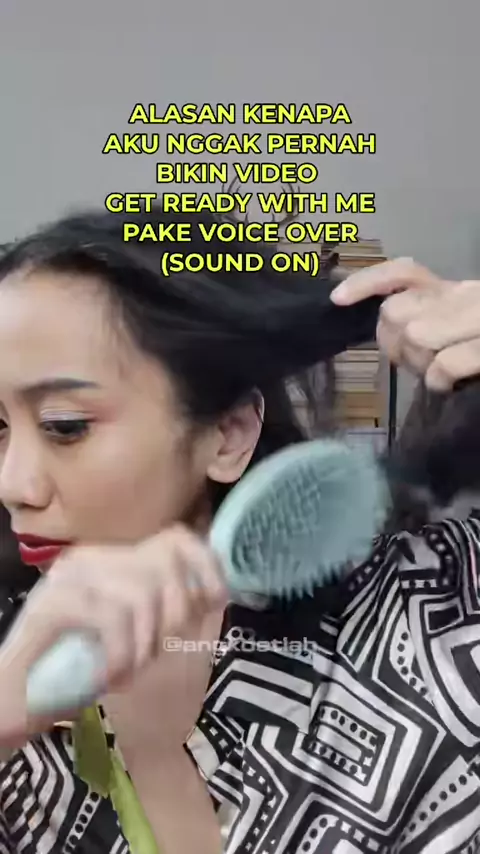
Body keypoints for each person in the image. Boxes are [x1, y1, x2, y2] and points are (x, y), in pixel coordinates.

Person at [0, 212, 477, 854]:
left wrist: (157, 762)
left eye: (64, 425)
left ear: (227, 435)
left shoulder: (429, 613)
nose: (14, 486)